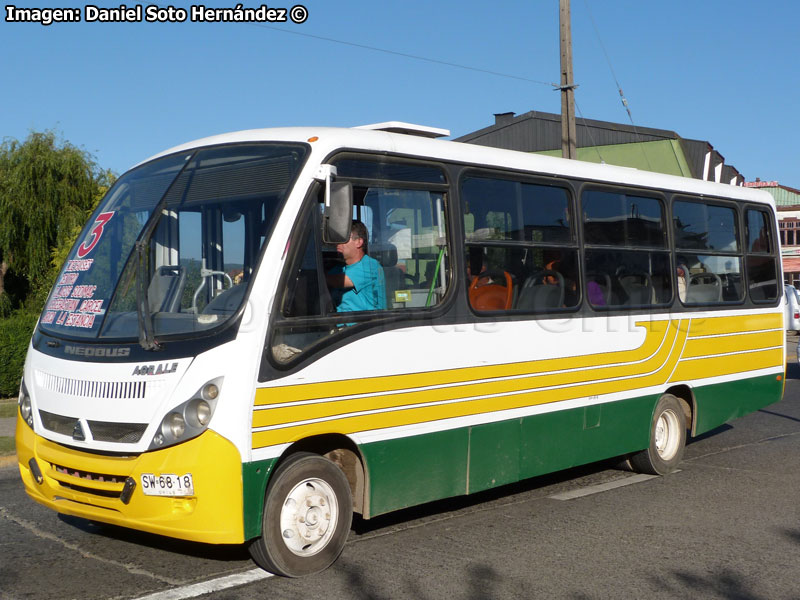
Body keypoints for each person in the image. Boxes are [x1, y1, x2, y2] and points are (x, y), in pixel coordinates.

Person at [327, 220, 386, 312]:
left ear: (358, 242)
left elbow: (338, 281)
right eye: (337, 238)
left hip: (365, 324)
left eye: (343, 238)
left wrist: (312, 276)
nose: (338, 243)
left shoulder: (371, 266)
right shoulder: (338, 269)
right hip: (339, 322)